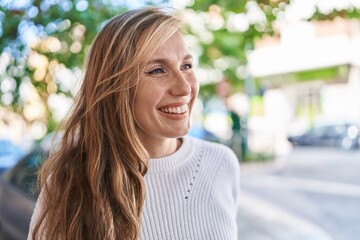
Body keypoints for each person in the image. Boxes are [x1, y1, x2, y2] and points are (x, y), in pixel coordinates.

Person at [28, 6, 240, 240]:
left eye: (186, 66)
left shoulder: (221, 164)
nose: (184, 88)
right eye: (158, 70)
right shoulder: (69, 185)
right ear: (115, 89)